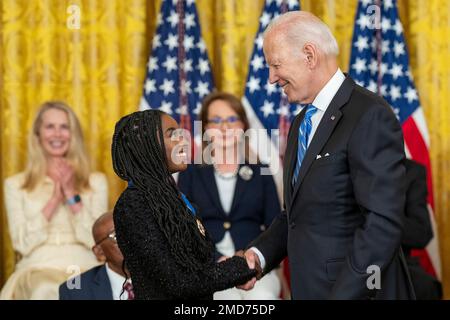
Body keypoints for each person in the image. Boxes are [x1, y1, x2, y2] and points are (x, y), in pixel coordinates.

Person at [239, 11, 415, 299]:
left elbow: (382, 224)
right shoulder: (301, 123)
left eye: (275, 65)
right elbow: (297, 215)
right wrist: (258, 256)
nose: (271, 78)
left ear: (309, 55)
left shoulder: (369, 114)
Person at [111, 109, 257, 300]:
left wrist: (234, 265)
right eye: (172, 134)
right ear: (146, 146)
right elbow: (178, 282)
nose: (184, 140)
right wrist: (239, 267)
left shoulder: (175, 200)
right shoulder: (132, 204)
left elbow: (199, 267)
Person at [178, 92, 282, 300]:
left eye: (231, 119)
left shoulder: (261, 172)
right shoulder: (190, 173)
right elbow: (183, 229)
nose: (224, 127)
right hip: (207, 268)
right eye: (216, 120)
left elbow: (276, 228)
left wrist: (252, 258)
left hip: (255, 267)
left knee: (264, 299)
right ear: (205, 128)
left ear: (243, 125)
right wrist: (217, 260)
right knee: (225, 299)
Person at [1, 101, 108, 300]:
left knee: (83, 291)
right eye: (50, 127)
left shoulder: (96, 182)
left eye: (64, 127)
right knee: (47, 289)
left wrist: (71, 196)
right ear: (38, 135)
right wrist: (54, 199)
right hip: (38, 268)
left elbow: (98, 242)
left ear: (73, 135)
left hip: (82, 265)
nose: (57, 134)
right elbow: (21, 244)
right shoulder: (15, 184)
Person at [59, 212, 132, 300]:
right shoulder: (74, 292)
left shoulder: (153, 277)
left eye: (132, 231)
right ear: (99, 252)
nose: (129, 239)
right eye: (116, 236)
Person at [402, 159, 442, 300]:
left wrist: (383, 217)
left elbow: (421, 232)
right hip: (347, 260)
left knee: (425, 287)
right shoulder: (344, 166)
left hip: (400, 262)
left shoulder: (411, 171)